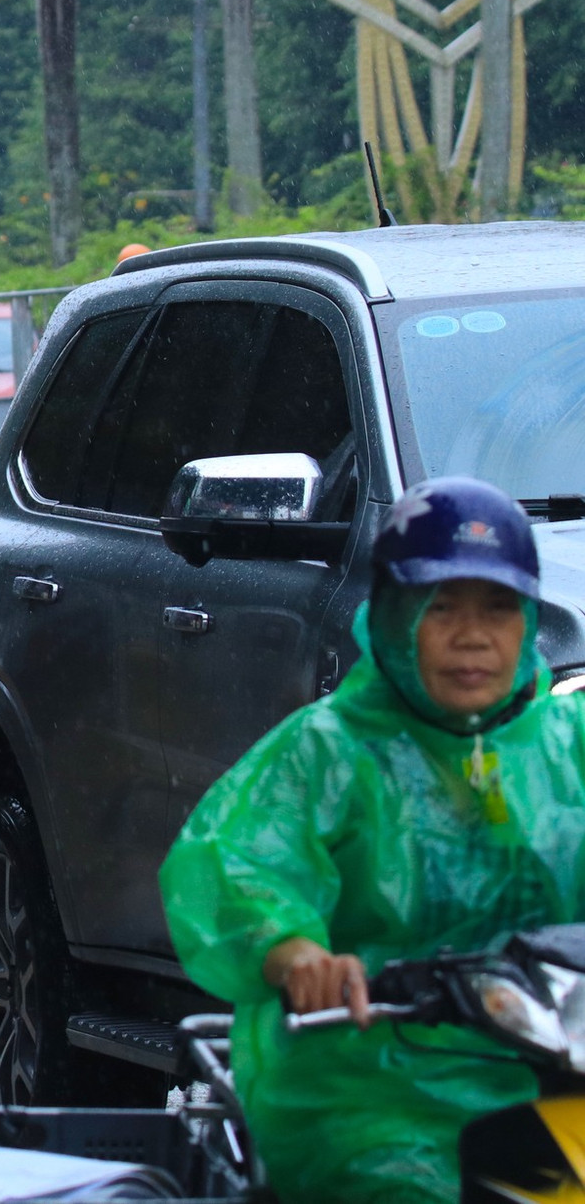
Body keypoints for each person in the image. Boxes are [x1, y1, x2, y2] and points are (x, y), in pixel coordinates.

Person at [161, 476, 585, 1204]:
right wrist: (297, 953)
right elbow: (232, 863)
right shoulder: (328, 749)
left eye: (497, 607)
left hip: (551, 1073)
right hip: (366, 1089)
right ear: (389, 615)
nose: (473, 634)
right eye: (440, 605)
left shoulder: (565, 746)